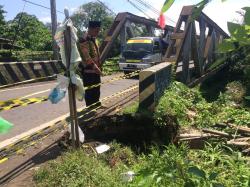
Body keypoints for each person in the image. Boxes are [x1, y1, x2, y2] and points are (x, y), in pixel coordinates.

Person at [79, 21, 102, 108]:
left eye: (99, 30)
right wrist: (96, 68)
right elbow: (86, 56)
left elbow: (97, 54)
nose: (98, 32)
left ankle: (97, 105)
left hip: (96, 70)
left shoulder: (95, 39)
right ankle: (90, 108)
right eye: (96, 30)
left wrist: (99, 66)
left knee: (97, 89)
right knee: (89, 91)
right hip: (88, 71)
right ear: (90, 29)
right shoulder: (83, 39)